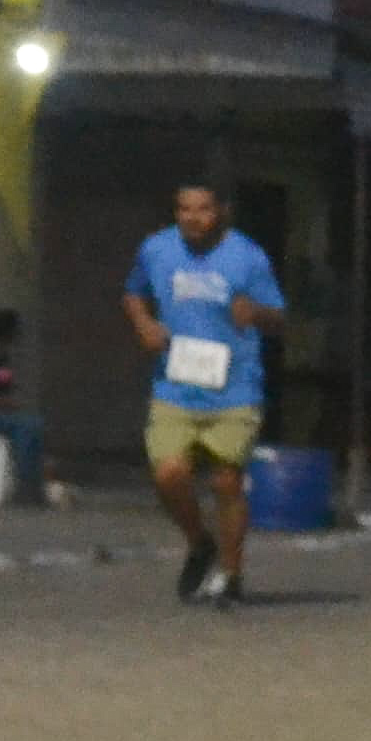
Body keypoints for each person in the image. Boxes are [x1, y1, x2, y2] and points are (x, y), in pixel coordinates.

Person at [124, 184, 284, 604]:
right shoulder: (156, 249)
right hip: (175, 384)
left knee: (227, 480)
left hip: (234, 386)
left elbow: (278, 315)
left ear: (223, 212)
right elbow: (133, 293)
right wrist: (144, 325)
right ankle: (199, 542)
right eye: (185, 209)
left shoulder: (247, 256)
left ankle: (231, 576)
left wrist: (257, 314)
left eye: (204, 209)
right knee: (168, 474)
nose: (194, 218)